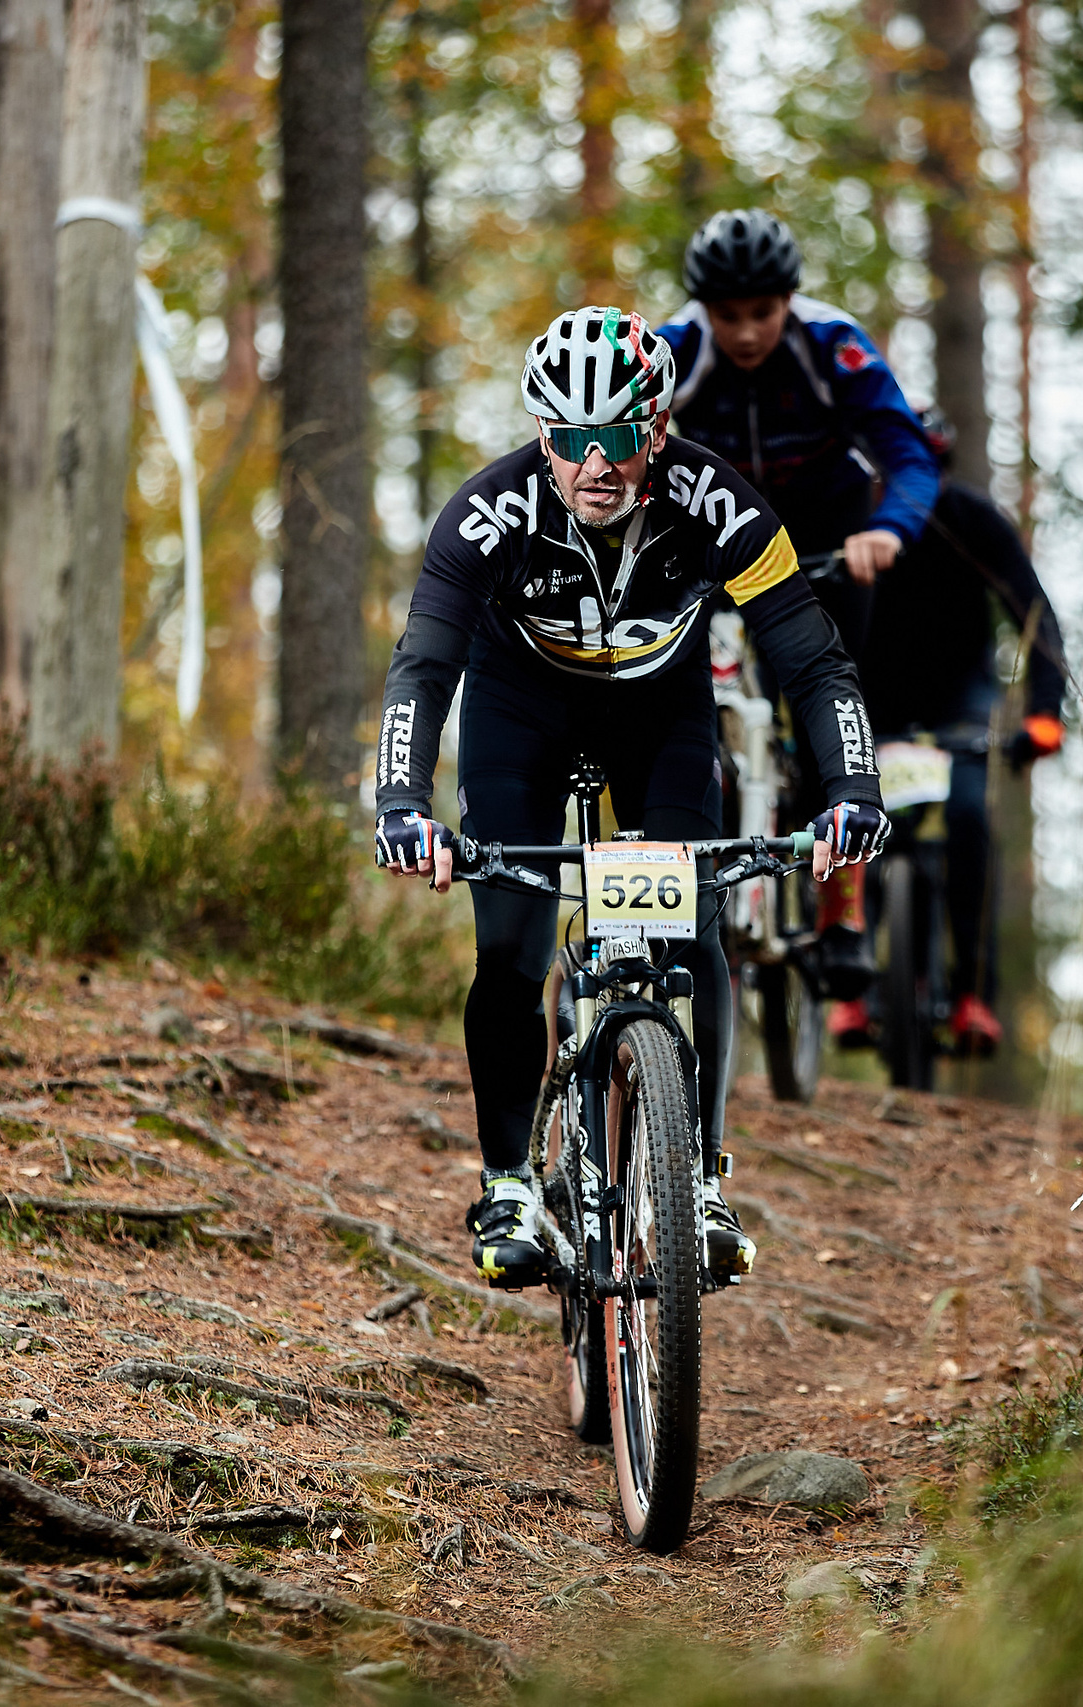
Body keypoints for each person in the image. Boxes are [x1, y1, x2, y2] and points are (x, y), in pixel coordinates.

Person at [372, 305, 891, 1289]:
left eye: (616, 438)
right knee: (511, 946)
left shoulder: (717, 499)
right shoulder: (490, 511)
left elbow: (813, 660)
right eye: (568, 441)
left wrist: (851, 788)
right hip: (519, 710)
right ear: (542, 435)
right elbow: (423, 666)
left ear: (656, 429)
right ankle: (509, 1179)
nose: (592, 467)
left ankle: (696, 1177)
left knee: (693, 926)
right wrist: (401, 802)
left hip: (660, 713)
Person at [656, 210, 943, 1002]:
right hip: (717, 533)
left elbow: (909, 454)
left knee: (825, 706)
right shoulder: (670, 350)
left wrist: (886, 530)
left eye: (763, 313)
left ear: (789, 300)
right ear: (702, 310)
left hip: (825, 539)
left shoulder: (833, 344)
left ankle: (841, 909)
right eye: (728, 316)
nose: (746, 333)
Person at [852, 473, 1070, 1055]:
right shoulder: (852, 511)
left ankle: (974, 992)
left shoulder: (973, 519)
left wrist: (1045, 712)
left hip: (963, 702)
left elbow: (1034, 613)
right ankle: (849, 969)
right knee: (849, 820)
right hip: (872, 701)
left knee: (970, 816)